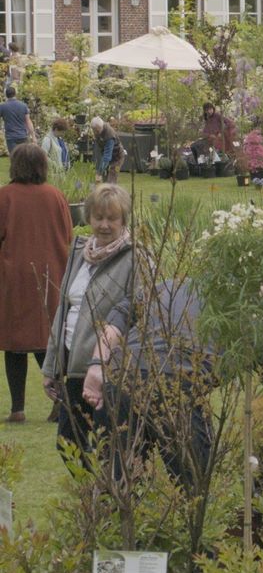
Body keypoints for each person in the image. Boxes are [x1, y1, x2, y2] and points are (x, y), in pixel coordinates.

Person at [81, 275, 263, 479]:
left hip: (118, 378)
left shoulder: (172, 286)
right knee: (195, 492)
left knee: (119, 487)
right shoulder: (253, 317)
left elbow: (118, 316)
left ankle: (118, 548)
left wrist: (97, 364)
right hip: (175, 388)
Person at [42, 184, 136, 454]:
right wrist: (51, 366)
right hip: (73, 367)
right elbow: (64, 309)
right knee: (68, 446)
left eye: (112, 218)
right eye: (98, 217)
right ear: (88, 218)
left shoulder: (134, 258)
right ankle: (96, 496)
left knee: (108, 450)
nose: (104, 225)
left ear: (123, 220)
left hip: (107, 370)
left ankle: (105, 497)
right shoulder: (79, 252)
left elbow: (139, 312)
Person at [0, 145, 72, 422]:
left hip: (14, 276)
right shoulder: (56, 196)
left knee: (14, 342)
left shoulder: (5, 197)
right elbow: (66, 234)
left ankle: (17, 409)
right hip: (49, 273)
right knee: (45, 342)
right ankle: (60, 401)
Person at [0, 85, 35, 156]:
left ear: (6, 95)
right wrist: (33, 136)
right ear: (15, 94)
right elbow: (28, 122)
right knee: (24, 158)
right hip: (22, 136)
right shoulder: (23, 105)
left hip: (10, 137)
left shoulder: (2, 107)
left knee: (14, 158)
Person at [90, 116, 125, 184]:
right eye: (95, 130)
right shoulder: (97, 130)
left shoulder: (109, 135)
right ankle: (105, 191)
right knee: (105, 177)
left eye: (97, 130)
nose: (96, 132)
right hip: (107, 156)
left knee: (112, 177)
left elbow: (107, 156)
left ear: (101, 126)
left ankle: (111, 192)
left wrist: (99, 173)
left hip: (117, 157)